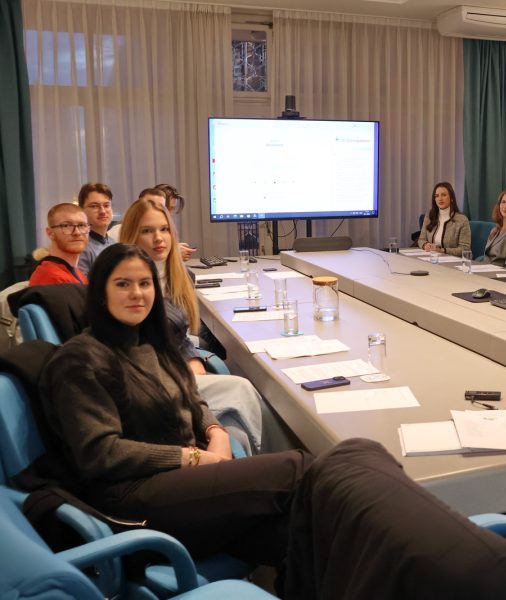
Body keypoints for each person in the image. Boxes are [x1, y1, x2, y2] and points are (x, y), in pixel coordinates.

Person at [39, 243, 310, 570]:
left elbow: (191, 397)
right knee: (300, 469)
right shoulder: (80, 359)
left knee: (298, 531)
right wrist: (193, 457)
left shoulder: (151, 342)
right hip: (130, 498)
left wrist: (216, 431)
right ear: (99, 293)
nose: (136, 293)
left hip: (178, 486)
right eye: (123, 284)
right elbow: (101, 453)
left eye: (144, 283)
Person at [119, 199, 262, 454]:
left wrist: (192, 358)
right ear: (132, 236)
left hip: (178, 373)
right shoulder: (129, 285)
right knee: (243, 390)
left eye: (164, 229)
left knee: (240, 421)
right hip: (153, 384)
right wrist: (183, 368)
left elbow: (178, 335)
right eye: (147, 231)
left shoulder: (178, 275)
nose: (158, 238)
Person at [110, 187, 194, 261]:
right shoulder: (117, 233)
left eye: (163, 229)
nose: (155, 210)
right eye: (146, 231)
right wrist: (173, 254)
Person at [29, 203, 89, 286]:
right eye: (66, 226)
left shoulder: (76, 272)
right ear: (50, 233)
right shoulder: (51, 277)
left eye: (82, 225)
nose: (77, 232)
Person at [416, 182, 471, 257]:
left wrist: (442, 250)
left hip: (453, 260)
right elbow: (421, 239)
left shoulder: (462, 220)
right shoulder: (429, 216)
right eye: (437, 196)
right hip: (431, 258)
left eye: (444, 195)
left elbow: (465, 249)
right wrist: (425, 245)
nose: (440, 199)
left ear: (451, 198)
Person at [76, 182, 116, 278]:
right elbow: (82, 285)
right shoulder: (80, 246)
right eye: (94, 206)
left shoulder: (112, 243)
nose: (102, 211)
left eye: (106, 205)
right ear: (81, 210)